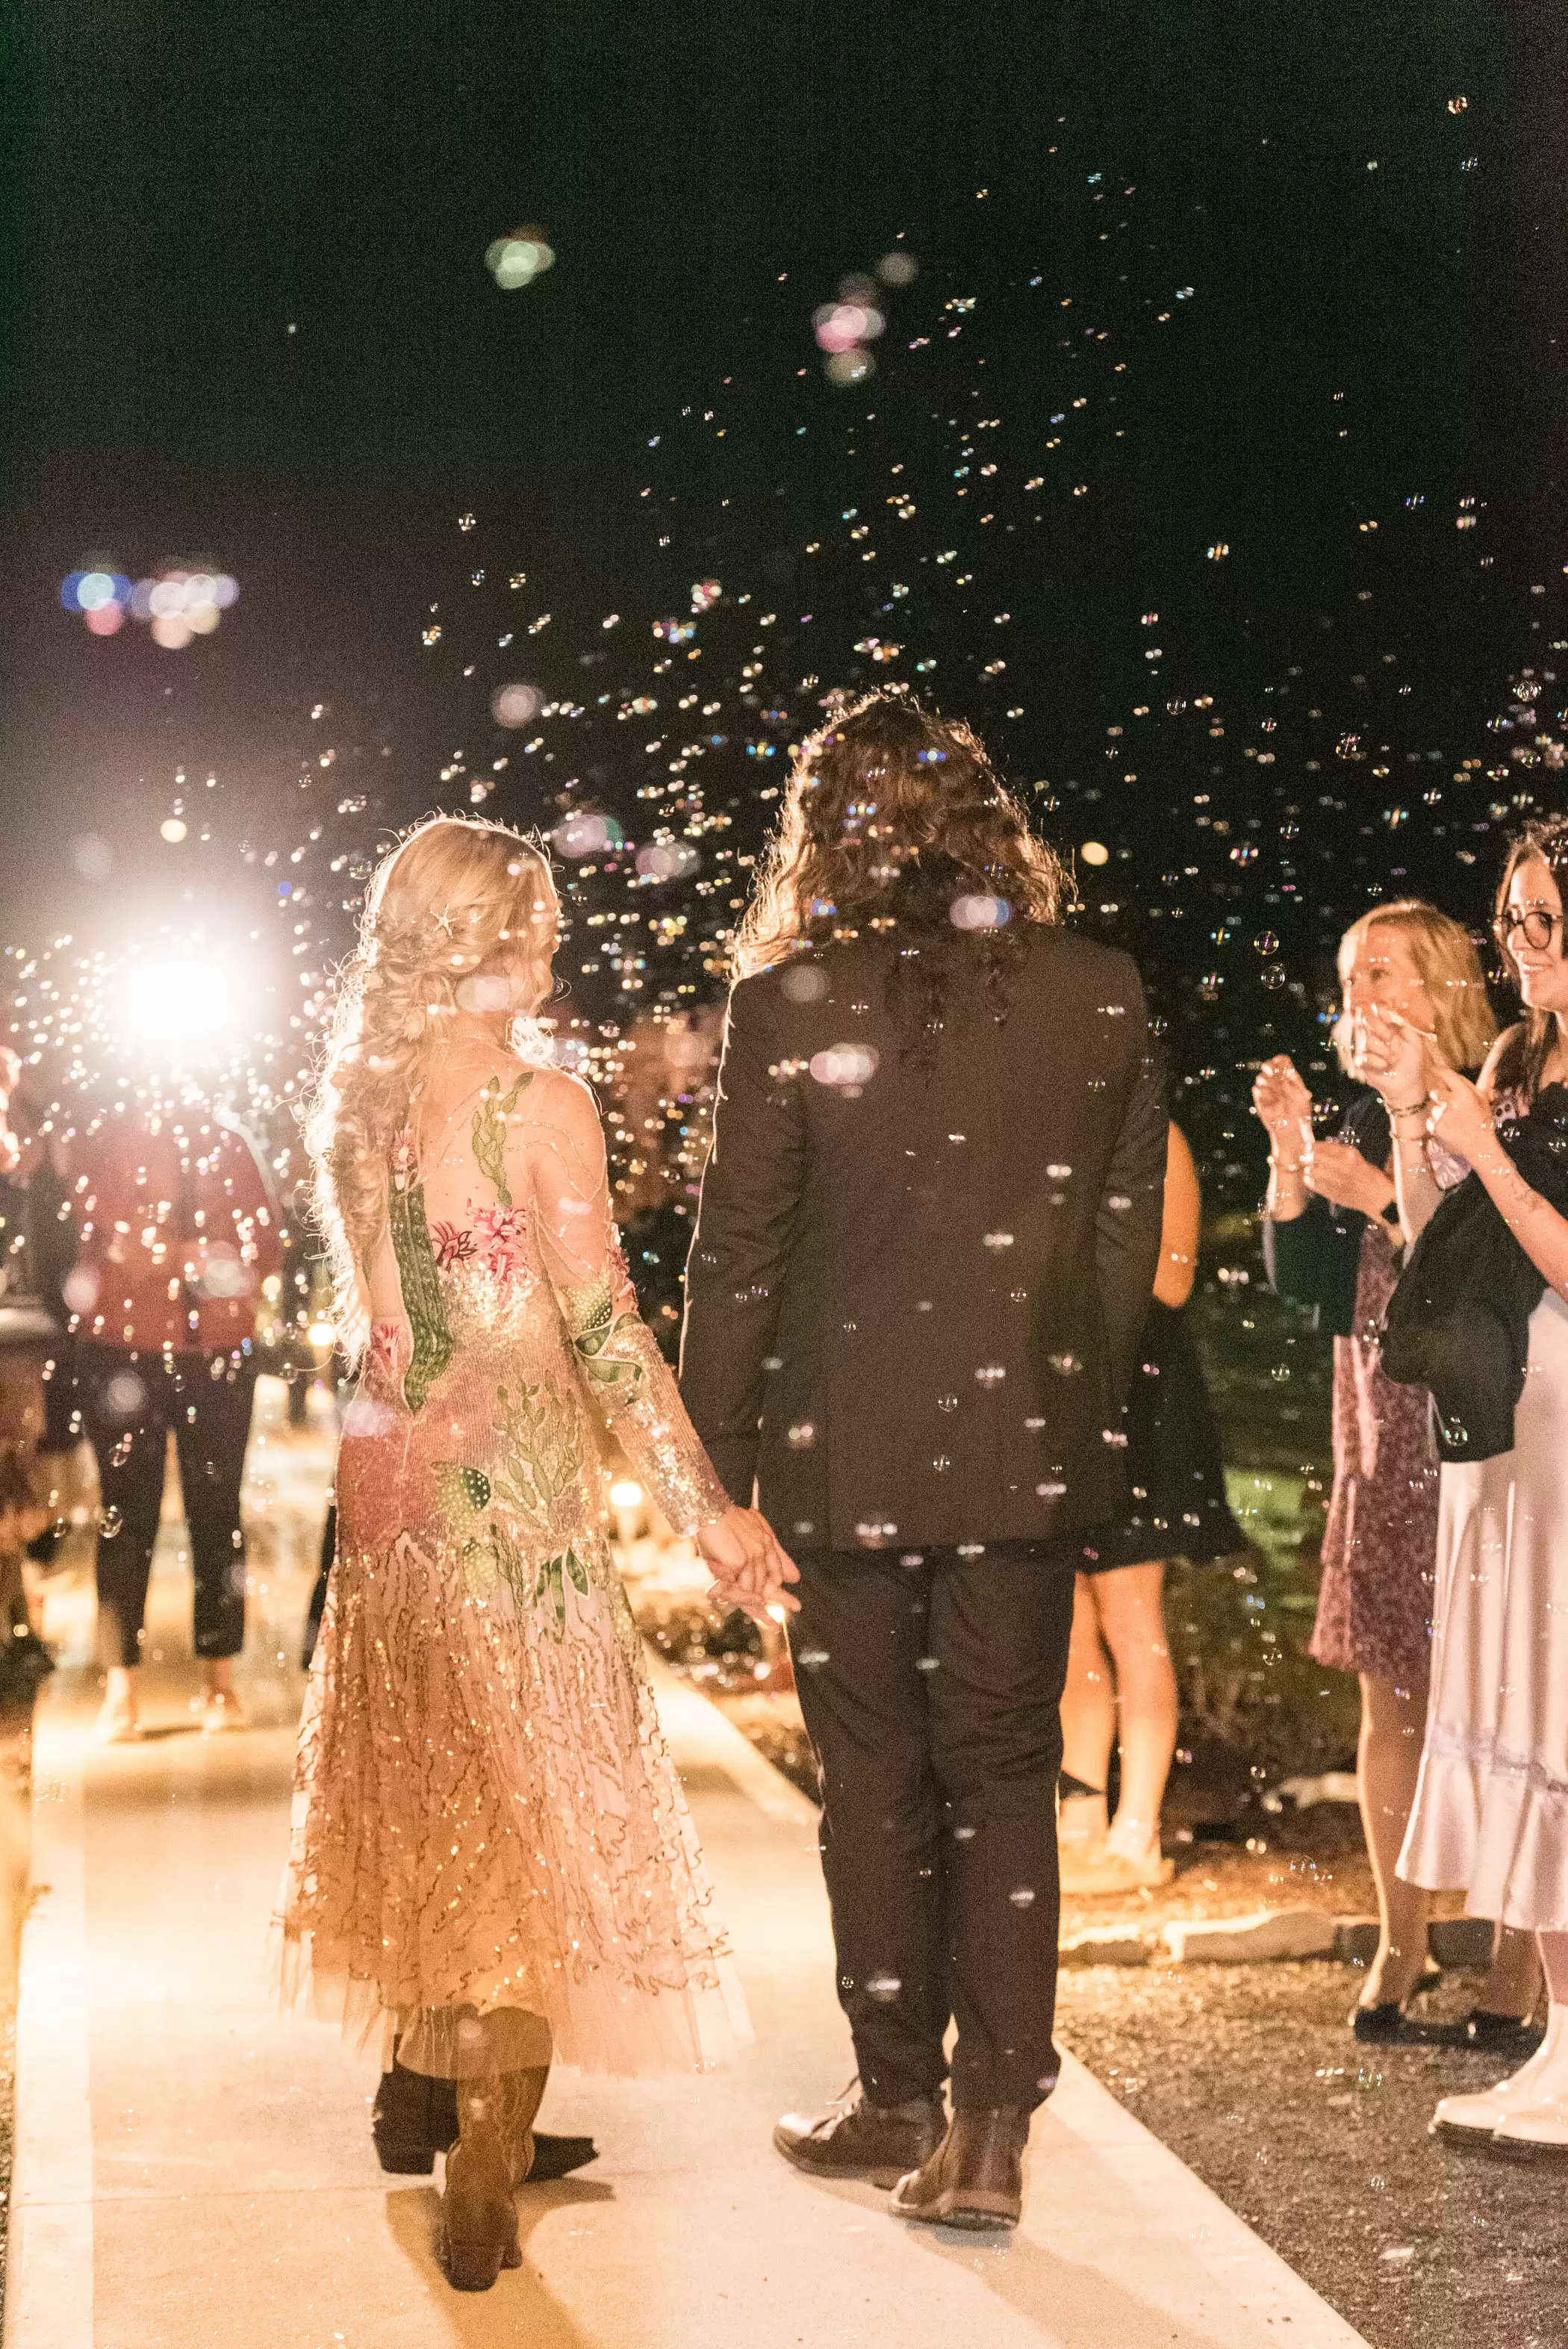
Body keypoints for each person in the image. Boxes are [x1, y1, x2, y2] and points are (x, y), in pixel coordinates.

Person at [279, 815, 795, 2292]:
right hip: (516, 1520)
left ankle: (458, 2112)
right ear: (482, 938)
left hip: (389, 1513)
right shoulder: (538, 1104)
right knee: (530, 1830)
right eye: (535, 924)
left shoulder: (356, 1095)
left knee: (444, 1809)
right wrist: (713, 1510)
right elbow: (608, 1339)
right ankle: (482, 2172)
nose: (552, 948)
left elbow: (378, 1321)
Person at [680, 688, 1166, 2230]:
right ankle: (992, 2115)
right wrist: (1069, 1411)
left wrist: (716, 1471)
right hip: (1026, 1449)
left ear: (827, 829)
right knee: (1007, 1776)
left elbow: (739, 1257)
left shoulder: (790, 1000)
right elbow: (1117, 1247)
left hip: (845, 1455)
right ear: (984, 813)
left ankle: (897, 2090)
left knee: (877, 1778)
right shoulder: (1101, 989)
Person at [1254, 900, 1538, 2045]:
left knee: (1511, 1698)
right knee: (1394, 1697)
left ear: (1443, 987)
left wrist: (1375, 1192)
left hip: (1481, 1424)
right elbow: (1312, 1287)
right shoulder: (1375, 1112)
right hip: (1381, 1436)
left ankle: (1519, 1956)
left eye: (1382, 970)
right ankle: (1401, 1936)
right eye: (1347, 971)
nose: (1358, 989)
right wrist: (1288, 1160)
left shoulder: (1502, 1101)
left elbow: (1494, 1265)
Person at [1359, 824, 1568, 2150]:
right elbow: (1443, 1252)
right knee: (1525, 1720)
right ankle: (1560, 2039)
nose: (1527, 943)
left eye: (1549, 918)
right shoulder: (1521, 1057)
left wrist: (1486, 1146)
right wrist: (1408, 1119)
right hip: (1510, 1422)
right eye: (1518, 919)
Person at [1058, 1119, 1243, 1894]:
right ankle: (1079, 1813)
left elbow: (1172, 1277)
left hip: (1141, 1397)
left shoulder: (1157, 1135)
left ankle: (1139, 1827)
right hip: (1054, 1395)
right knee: (1064, 1622)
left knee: (1133, 1617)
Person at [69, 1093, 283, 1740]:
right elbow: (107, 1244)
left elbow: (264, 1253)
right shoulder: (119, 1142)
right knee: (124, 1514)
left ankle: (219, 1679)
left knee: (218, 1511)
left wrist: (189, 1258)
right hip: (125, 1352)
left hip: (216, 1354)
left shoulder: (233, 1149)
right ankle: (120, 1686)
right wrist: (188, 1256)